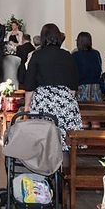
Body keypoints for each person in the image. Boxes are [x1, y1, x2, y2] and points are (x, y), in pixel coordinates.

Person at [24, 23, 81, 151]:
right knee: (65, 140)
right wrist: (67, 99)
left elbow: (30, 83)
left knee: (42, 136)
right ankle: (65, 167)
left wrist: (27, 105)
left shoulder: (37, 55)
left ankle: (44, 163)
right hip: (64, 100)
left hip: (43, 101)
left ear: (43, 37)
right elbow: (74, 83)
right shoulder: (67, 55)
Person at [71, 32, 102, 102]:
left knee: (82, 110)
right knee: (96, 110)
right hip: (95, 87)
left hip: (81, 87)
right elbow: (99, 70)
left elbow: (72, 73)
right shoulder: (96, 53)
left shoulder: (75, 55)